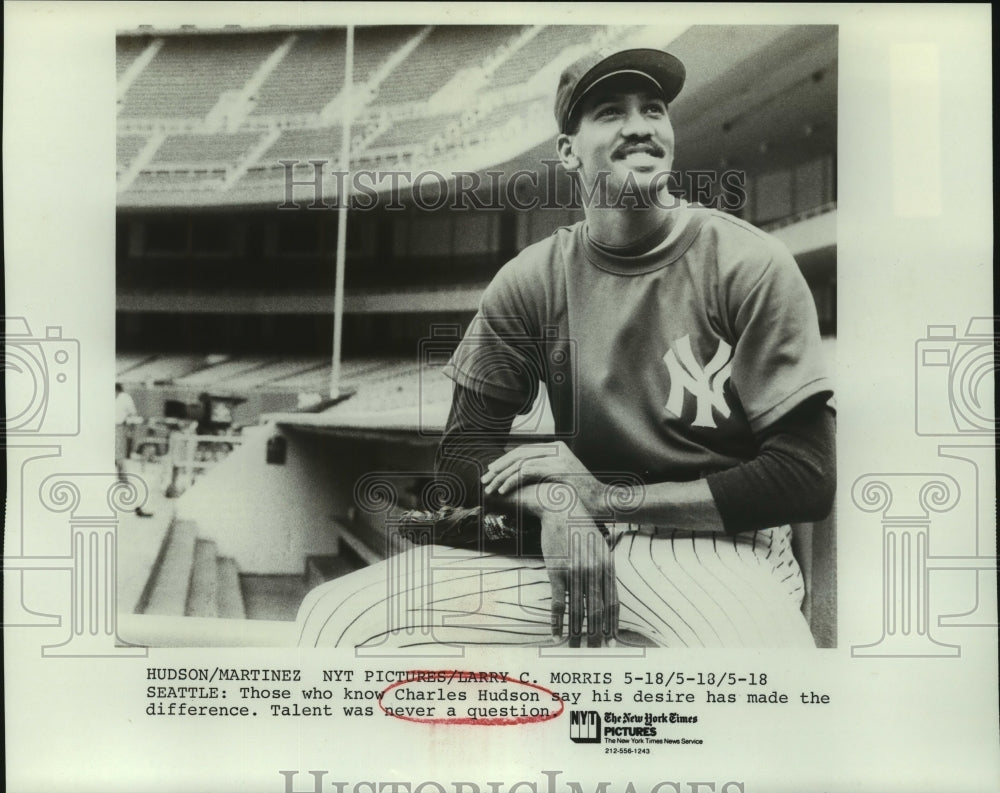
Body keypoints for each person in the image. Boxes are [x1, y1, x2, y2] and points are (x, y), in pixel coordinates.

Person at [297, 48, 834, 649]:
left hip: (718, 541)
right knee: (335, 622)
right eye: (610, 112)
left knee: (768, 670)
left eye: (653, 109)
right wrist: (556, 503)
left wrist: (605, 499)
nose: (640, 126)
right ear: (568, 150)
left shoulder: (748, 262)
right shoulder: (534, 278)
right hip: (582, 533)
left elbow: (804, 477)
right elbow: (463, 454)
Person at [116, 383, 153, 518]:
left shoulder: (124, 398)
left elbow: (132, 415)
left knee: (122, 470)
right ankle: (136, 505)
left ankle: (136, 505)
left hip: (117, 432)